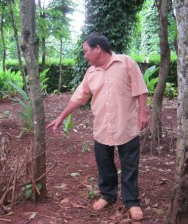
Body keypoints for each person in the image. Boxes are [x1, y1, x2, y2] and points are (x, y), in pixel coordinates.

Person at [46, 32, 149, 221]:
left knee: (130, 166)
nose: (85, 55)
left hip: (126, 125)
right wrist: (61, 117)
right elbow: (78, 98)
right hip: (102, 128)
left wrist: (143, 113)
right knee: (105, 165)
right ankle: (108, 196)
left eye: (86, 51)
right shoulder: (90, 73)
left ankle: (132, 201)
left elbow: (140, 88)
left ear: (98, 49)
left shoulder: (126, 63)